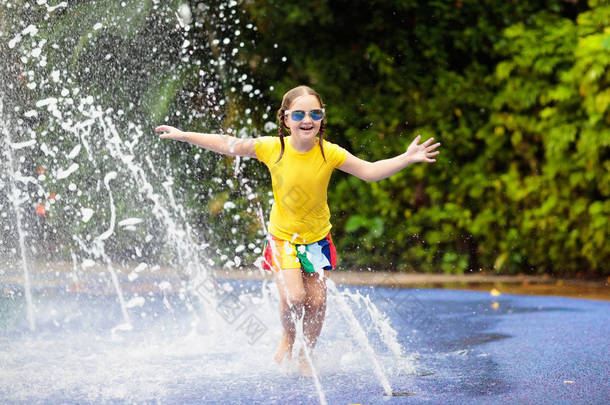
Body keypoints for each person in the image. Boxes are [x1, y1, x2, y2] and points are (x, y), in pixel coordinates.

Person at [156, 85, 440, 375]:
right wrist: (184, 135)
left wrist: (405, 158)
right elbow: (229, 143)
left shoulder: (329, 153)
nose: (308, 119)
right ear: (286, 118)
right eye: (300, 113)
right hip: (283, 238)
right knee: (294, 296)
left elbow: (369, 172)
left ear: (322, 118)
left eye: (315, 113)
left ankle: (307, 352)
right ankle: (288, 338)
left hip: (316, 239)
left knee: (316, 301)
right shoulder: (273, 148)